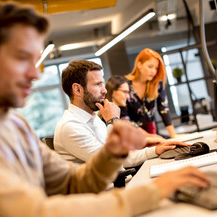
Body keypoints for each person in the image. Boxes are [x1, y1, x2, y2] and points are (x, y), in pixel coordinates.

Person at [0, 3, 210, 217]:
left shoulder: (13, 124)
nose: (34, 75)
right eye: (22, 58)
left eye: (35, 61)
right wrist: (151, 193)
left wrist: (112, 153)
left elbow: (72, 184)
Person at [54, 60, 187, 168]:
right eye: (97, 85)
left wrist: (156, 150)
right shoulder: (70, 127)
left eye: (103, 84)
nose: (104, 90)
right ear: (77, 89)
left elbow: (125, 158)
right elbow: (112, 161)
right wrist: (113, 121)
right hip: (106, 194)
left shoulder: (93, 120)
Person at [124, 48, 177, 138]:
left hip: (151, 132)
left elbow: (164, 109)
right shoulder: (125, 86)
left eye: (156, 68)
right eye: (150, 67)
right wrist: (149, 137)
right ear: (139, 65)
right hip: (131, 135)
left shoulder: (157, 85)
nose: (154, 71)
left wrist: (173, 135)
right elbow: (124, 118)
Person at [105, 74, 165, 144]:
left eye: (128, 92)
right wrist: (153, 139)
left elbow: (134, 128)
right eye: (124, 92)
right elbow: (126, 140)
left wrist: (153, 137)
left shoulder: (121, 110)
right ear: (113, 91)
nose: (127, 97)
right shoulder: (108, 115)